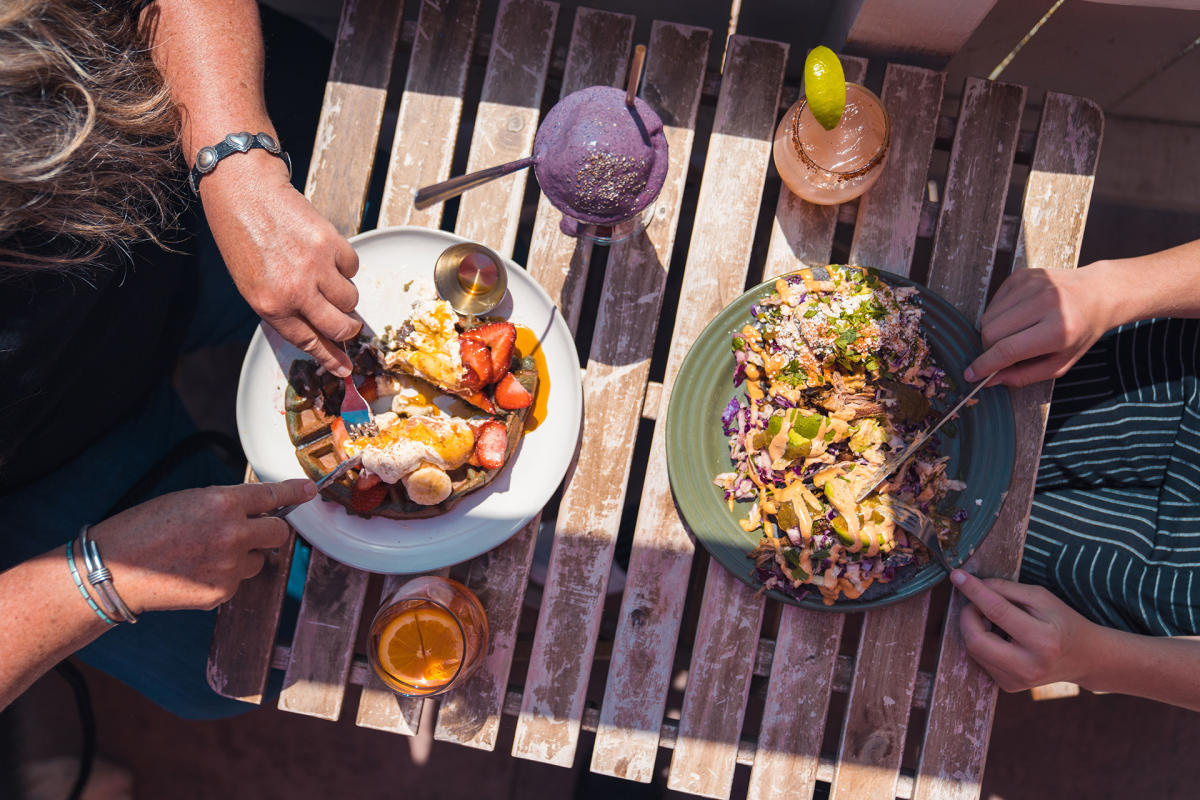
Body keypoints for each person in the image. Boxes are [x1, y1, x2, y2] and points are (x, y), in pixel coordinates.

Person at [0, 0, 355, 716]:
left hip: (152, 190)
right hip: (31, 464)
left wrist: (237, 164)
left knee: (375, 163)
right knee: (258, 654)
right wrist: (92, 578)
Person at [951, 239, 1200, 711]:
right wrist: (1111, 288)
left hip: (1180, 578)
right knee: (948, 392)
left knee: (941, 533)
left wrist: (1092, 660)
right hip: (1177, 380)